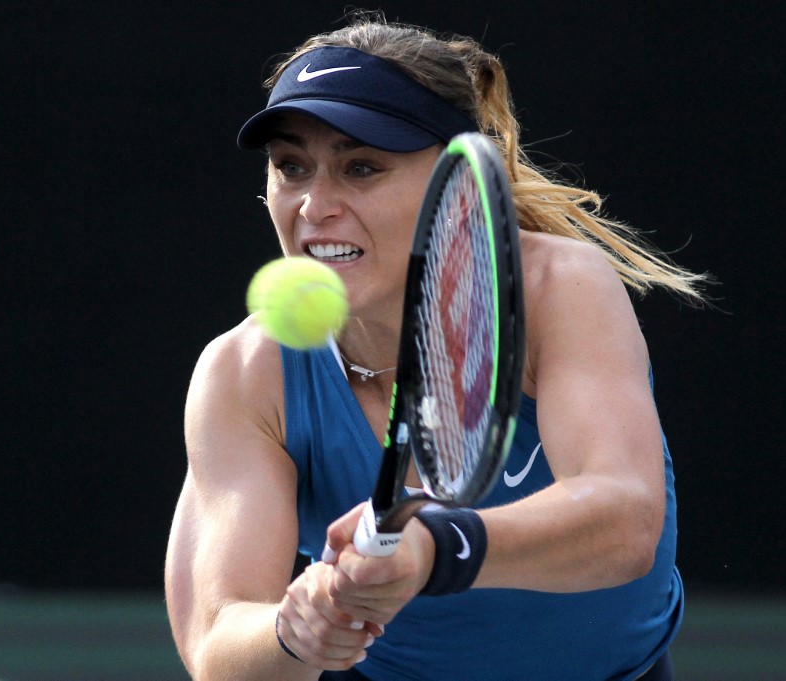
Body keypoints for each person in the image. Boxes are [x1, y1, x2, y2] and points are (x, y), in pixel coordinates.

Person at [165, 13, 707, 681]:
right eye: (291, 166)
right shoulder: (247, 372)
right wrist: (296, 629)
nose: (313, 204)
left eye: (361, 166)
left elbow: (624, 524)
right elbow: (219, 646)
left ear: (454, 185)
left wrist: (434, 546)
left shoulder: (554, 289)